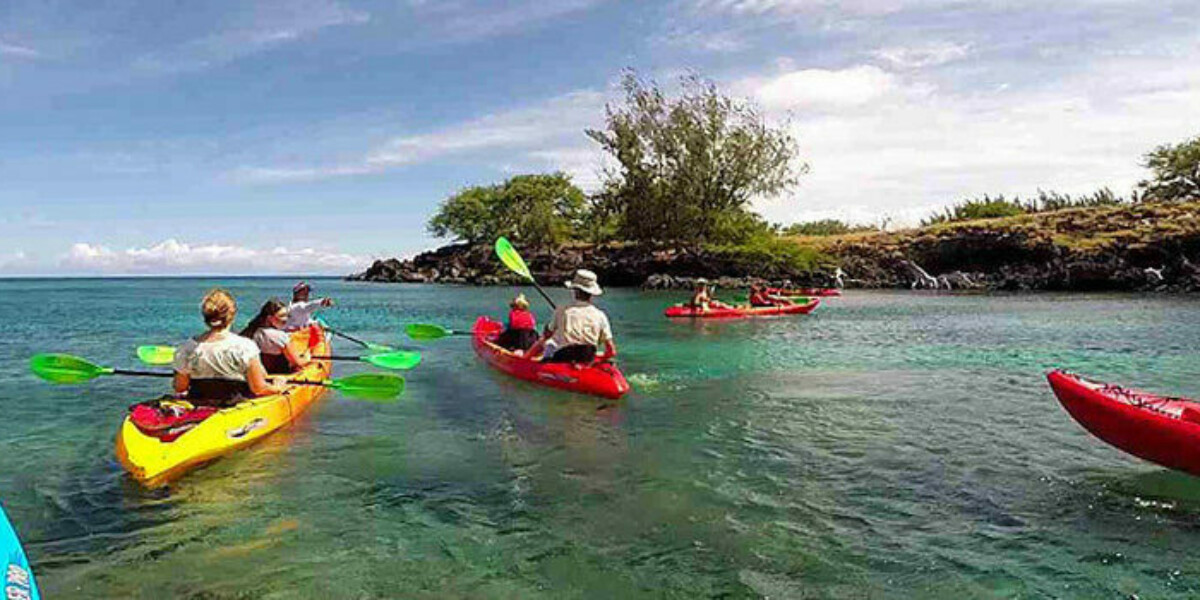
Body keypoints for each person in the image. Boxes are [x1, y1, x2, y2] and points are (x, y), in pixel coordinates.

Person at [173, 289, 289, 406]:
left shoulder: (186, 347)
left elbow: (180, 387)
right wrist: (278, 386)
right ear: (231, 315)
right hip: (233, 406)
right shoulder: (245, 346)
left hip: (198, 405)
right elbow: (259, 389)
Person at [529, 269, 617, 364]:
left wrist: (527, 356)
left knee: (549, 345)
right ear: (591, 294)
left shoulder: (562, 310)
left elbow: (546, 336)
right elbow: (611, 351)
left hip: (563, 358)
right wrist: (600, 359)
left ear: (576, 291)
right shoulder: (601, 315)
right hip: (587, 358)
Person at [240, 298, 311, 374]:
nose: (286, 319)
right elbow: (298, 362)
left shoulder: (253, 333)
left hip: (260, 374)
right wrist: (308, 357)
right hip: (280, 376)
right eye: (282, 316)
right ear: (270, 318)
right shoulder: (280, 336)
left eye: (287, 316)